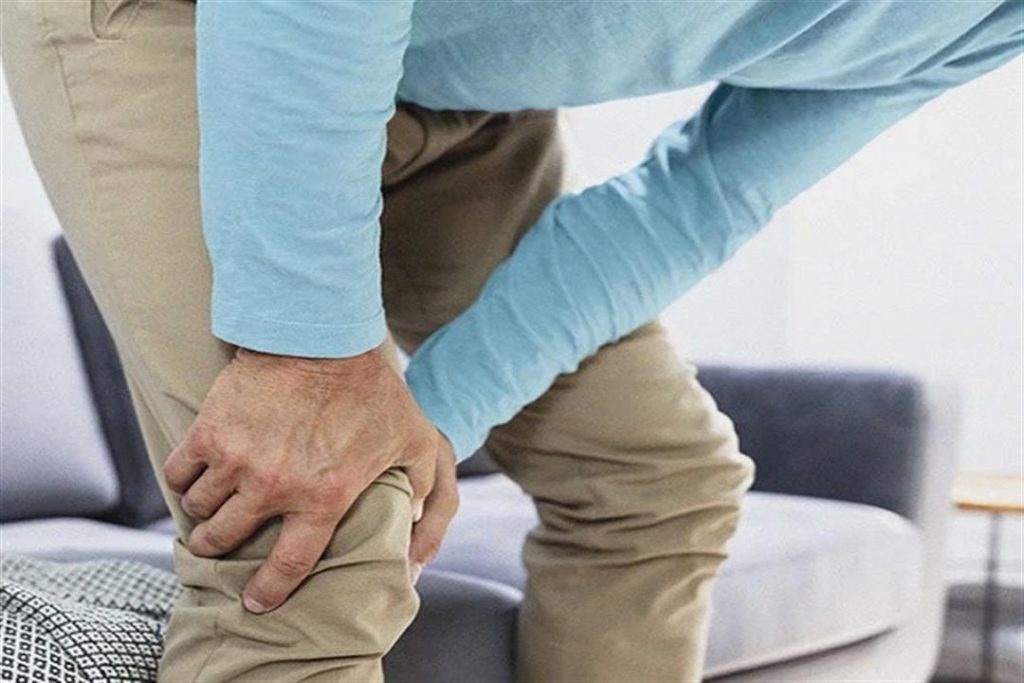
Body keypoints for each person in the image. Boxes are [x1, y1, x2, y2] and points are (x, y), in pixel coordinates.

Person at [3, 1, 1021, 681]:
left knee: (656, 485)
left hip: (460, 100)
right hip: (198, 24)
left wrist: (428, 424)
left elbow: (705, 194)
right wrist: (308, 363)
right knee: (312, 532)